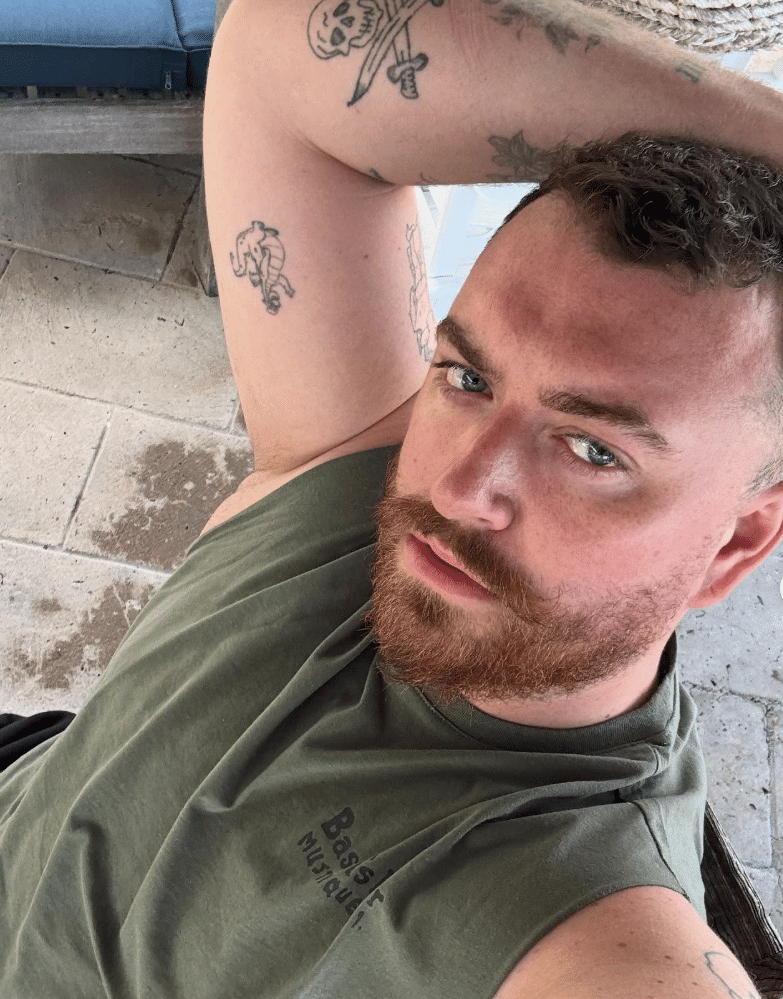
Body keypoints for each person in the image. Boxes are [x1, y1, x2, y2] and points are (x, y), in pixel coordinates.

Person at [3, 1, 783, 996]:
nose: (459, 487)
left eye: (592, 449)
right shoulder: (348, 466)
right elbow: (284, 48)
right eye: (468, 378)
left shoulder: (590, 916)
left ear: (737, 543)